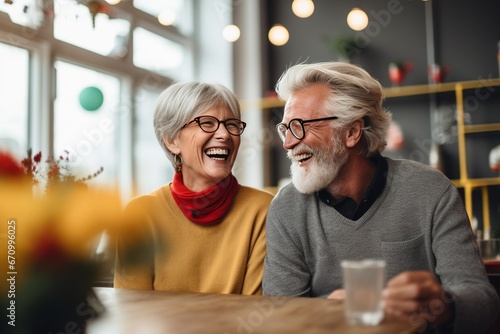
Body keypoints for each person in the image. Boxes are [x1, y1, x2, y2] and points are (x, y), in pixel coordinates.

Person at [262, 62, 499, 333]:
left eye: (300, 126)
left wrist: (444, 306)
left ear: (352, 132)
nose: (288, 143)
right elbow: (278, 317)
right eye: (285, 129)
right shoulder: (286, 209)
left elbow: (482, 299)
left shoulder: (431, 189)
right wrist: (327, 307)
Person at [114, 81, 273, 295]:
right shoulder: (140, 213)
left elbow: (254, 311)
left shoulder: (263, 209)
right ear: (172, 140)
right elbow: (132, 311)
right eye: (207, 123)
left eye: (232, 124)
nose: (225, 135)